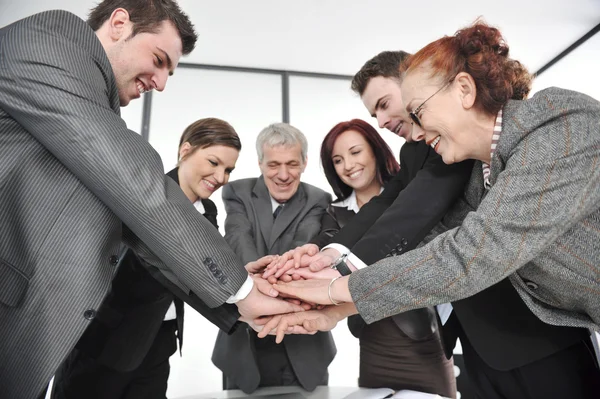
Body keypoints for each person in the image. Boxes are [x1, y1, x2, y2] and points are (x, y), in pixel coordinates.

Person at [263, 21, 600, 399]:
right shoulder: (468, 165)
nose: (415, 131)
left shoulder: (560, 125)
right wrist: (335, 295)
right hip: (482, 342)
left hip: (544, 339)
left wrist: (332, 287)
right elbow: (408, 227)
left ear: (463, 89)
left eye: (416, 111)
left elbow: (468, 253)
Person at [0, 2, 300, 398]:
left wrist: (239, 299)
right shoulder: (52, 39)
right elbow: (137, 187)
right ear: (120, 23)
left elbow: (144, 236)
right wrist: (241, 287)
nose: (160, 83)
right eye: (159, 61)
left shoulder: (94, 103)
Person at [49, 118, 249, 398]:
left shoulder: (209, 209)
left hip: (160, 339)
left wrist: (242, 278)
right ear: (185, 150)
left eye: (228, 169)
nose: (221, 177)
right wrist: (242, 295)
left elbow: (207, 270)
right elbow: (166, 268)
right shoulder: (145, 193)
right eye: (213, 162)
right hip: (106, 340)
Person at [310, 119, 455, 396]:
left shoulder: (415, 195)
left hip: (424, 335)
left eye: (355, 152)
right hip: (373, 339)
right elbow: (323, 245)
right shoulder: (335, 213)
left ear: (375, 150)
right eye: (338, 160)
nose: (348, 165)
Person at [212, 123, 336, 393]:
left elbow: (304, 246)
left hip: (304, 344)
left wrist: (265, 282)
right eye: (273, 164)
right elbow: (237, 236)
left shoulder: (319, 199)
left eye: (292, 164)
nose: (283, 175)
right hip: (243, 344)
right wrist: (257, 284)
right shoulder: (237, 192)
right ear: (259, 163)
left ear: (304, 163)